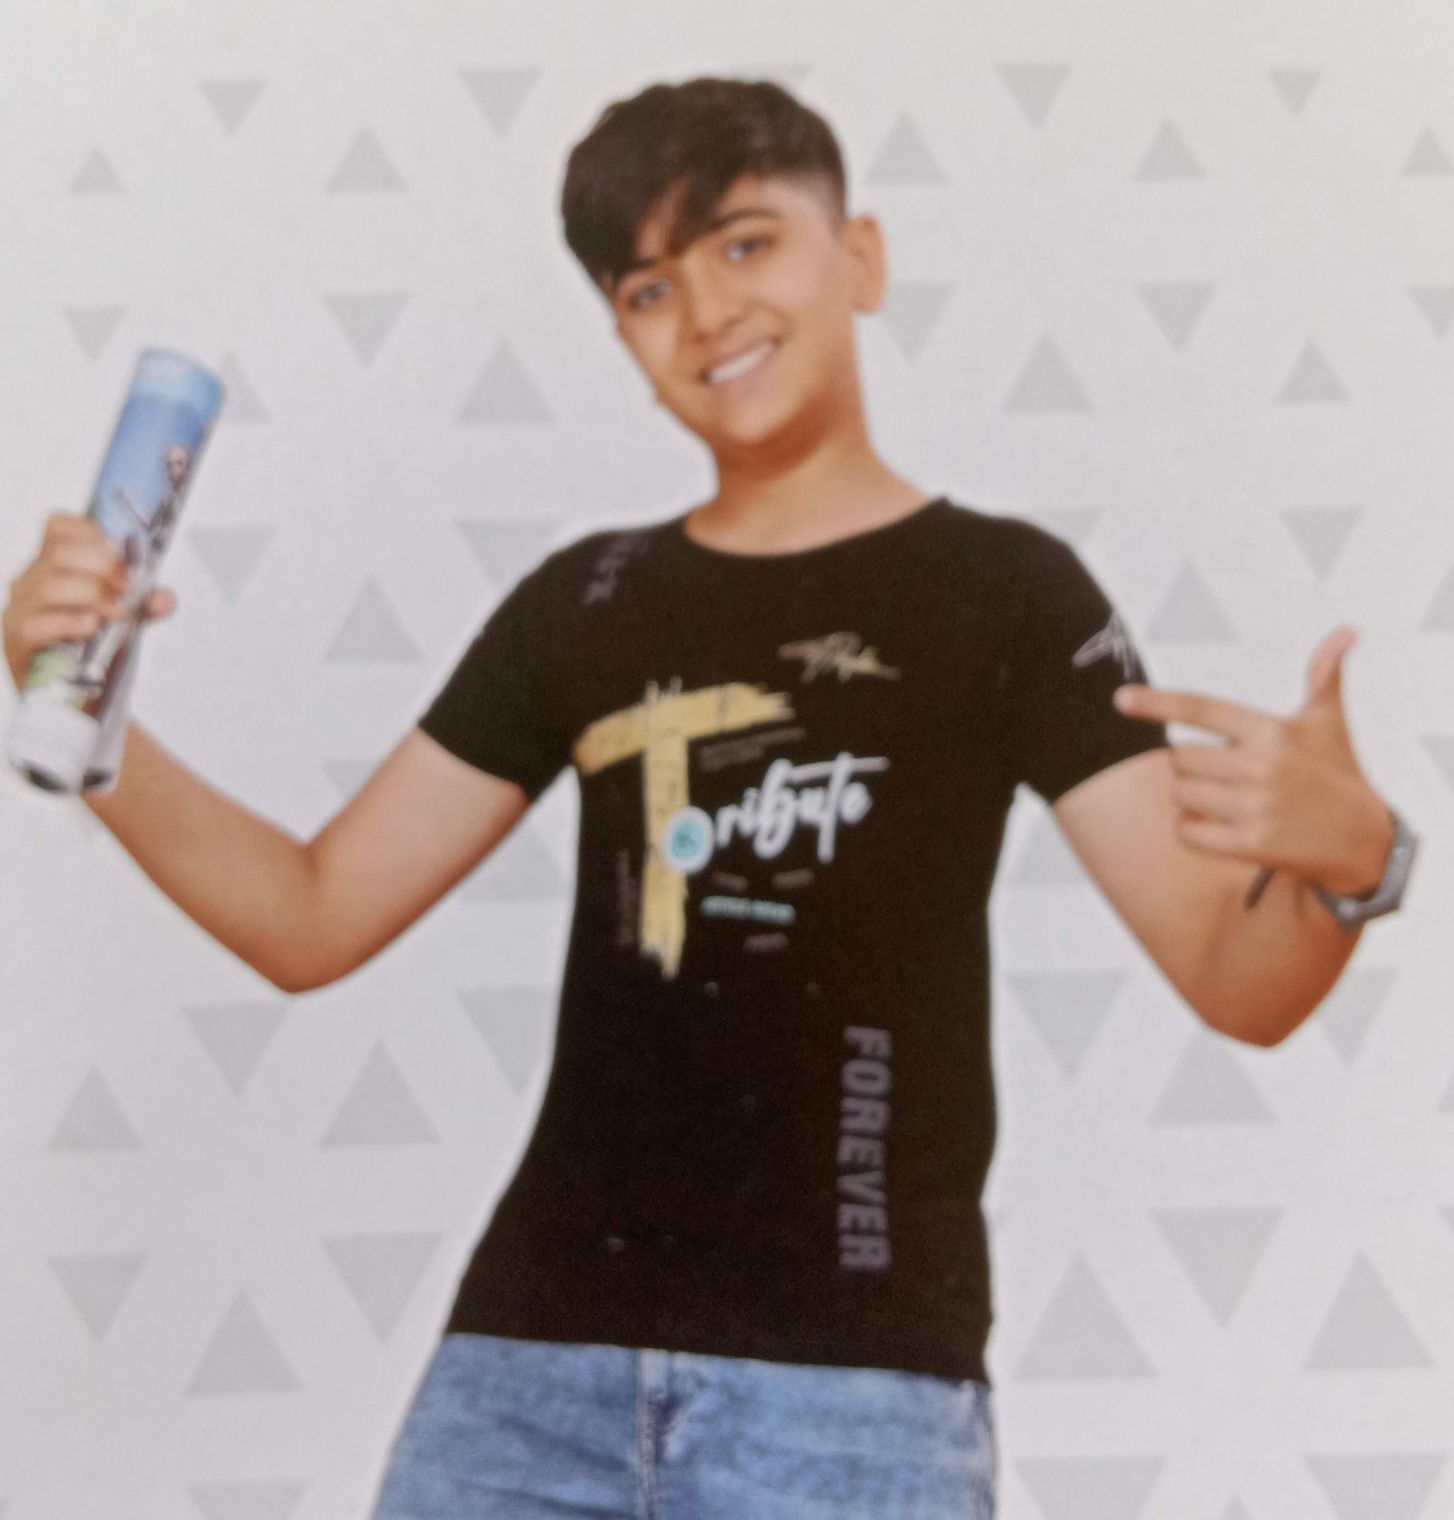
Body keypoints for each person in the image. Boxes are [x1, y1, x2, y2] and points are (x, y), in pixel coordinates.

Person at [2, 75, 1414, 1520]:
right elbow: (308, 917)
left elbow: (1235, 979)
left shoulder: (1007, 593)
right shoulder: (583, 603)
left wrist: (1355, 863)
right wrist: (86, 710)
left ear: (858, 257)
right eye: (648, 288)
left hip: (851, 1409)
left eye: (745, 244)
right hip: (520, 1391)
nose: (706, 312)